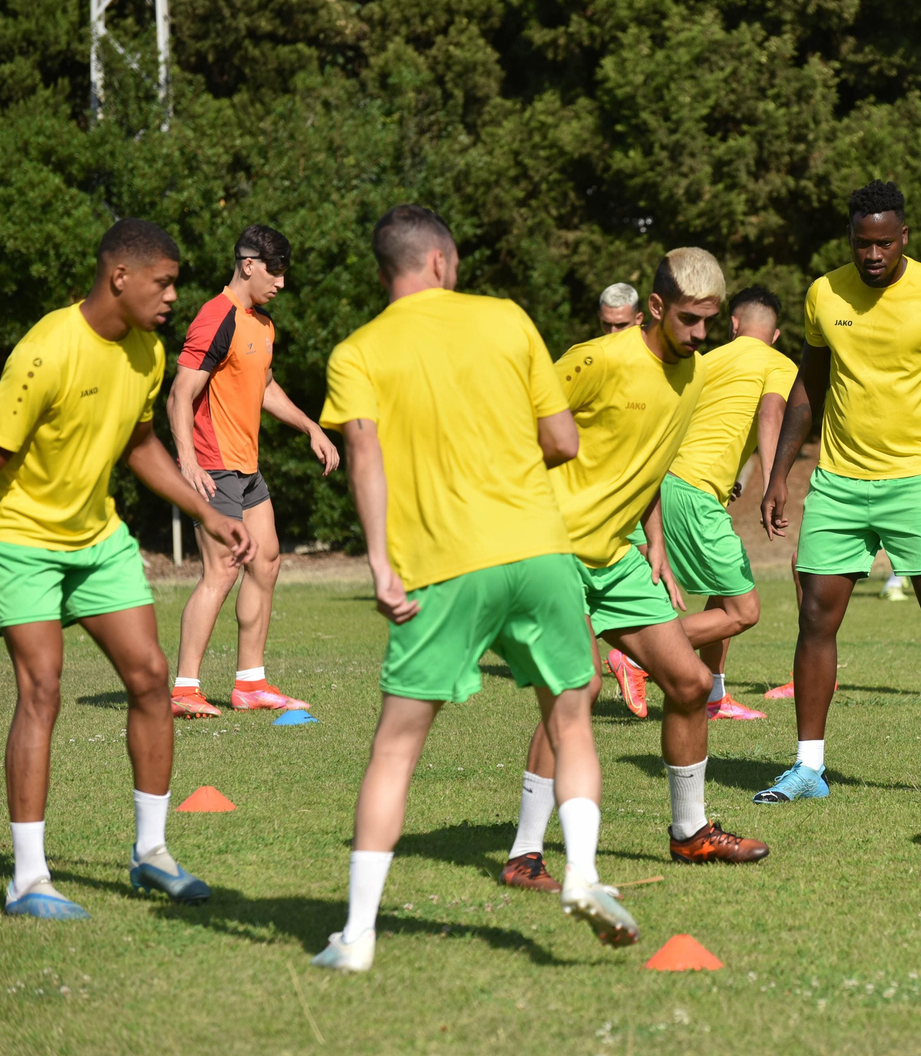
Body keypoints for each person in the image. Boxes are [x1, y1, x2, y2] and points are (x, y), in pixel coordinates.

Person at [310, 205, 634, 972]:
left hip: (443, 566)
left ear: (389, 269)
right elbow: (563, 440)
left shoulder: (356, 352)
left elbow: (363, 456)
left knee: (395, 750)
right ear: (441, 263)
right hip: (540, 550)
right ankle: (583, 873)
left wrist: (380, 563)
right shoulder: (508, 319)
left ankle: (356, 937)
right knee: (572, 720)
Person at [0, 219, 256, 919]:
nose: (171, 296)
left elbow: (139, 444)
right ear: (120, 278)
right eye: (162, 283)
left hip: (96, 539)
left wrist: (206, 509)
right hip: (21, 543)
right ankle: (28, 879)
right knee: (42, 690)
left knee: (151, 678)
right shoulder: (45, 353)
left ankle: (152, 855)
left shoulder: (148, 352)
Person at [501, 247, 771, 893]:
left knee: (686, 681)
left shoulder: (695, 374)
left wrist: (654, 538)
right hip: (552, 545)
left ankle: (690, 834)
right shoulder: (596, 360)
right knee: (578, 691)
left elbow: (649, 460)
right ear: (655, 308)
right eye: (688, 319)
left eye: (710, 321)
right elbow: (516, 424)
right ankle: (525, 853)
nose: (700, 334)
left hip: (619, 552)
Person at [756, 179, 921, 806]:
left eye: (884, 244)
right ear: (851, 240)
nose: (872, 256)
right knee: (815, 616)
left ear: (904, 238)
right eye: (863, 244)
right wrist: (781, 472)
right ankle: (809, 768)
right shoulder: (823, 292)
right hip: (839, 482)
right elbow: (809, 388)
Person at [166, 225, 340, 718]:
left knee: (266, 561)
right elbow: (180, 394)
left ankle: (250, 684)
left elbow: (263, 387)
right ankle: (183, 690)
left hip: (247, 467)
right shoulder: (214, 317)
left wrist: (311, 426)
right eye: (276, 271)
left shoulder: (260, 324)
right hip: (213, 465)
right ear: (248, 264)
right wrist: (188, 463)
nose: (281, 283)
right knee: (222, 571)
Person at [611, 285, 796, 722]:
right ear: (776, 335)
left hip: (664, 485)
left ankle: (713, 696)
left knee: (723, 590)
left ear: (732, 326)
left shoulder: (704, 362)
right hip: (693, 490)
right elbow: (771, 414)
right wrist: (773, 481)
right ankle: (637, 657)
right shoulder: (779, 363)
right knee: (743, 610)